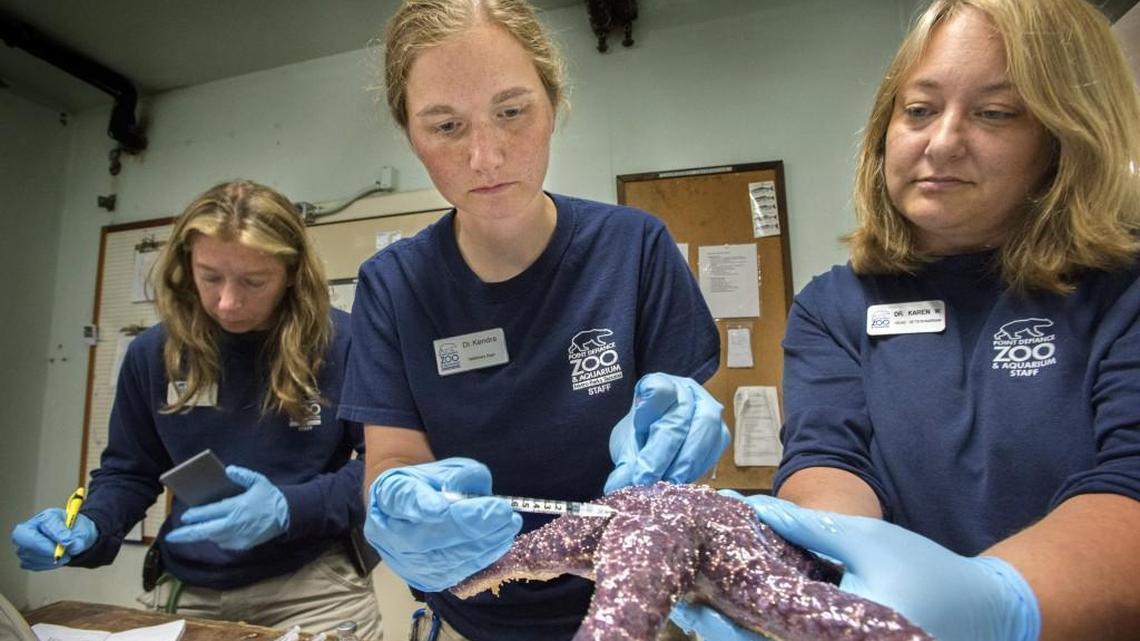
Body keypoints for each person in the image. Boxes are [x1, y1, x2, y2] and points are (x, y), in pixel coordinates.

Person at [672, 1, 1140, 640]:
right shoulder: (835, 306)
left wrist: (999, 602)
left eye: (994, 113)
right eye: (918, 110)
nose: (942, 141)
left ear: (1065, 137)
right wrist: (820, 565)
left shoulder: (1122, 293)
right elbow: (828, 459)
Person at [337, 1, 727, 639]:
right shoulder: (393, 285)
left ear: (553, 102)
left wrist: (677, 443)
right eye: (445, 126)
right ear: (409, 132)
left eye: (512, 111)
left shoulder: (634, 249)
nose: (486, 157)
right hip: (468, 611)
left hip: (637, 606)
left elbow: (681, 427)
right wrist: (401, 501)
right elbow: (394, 455)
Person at [10, 180, 383, 640]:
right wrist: (88, 525)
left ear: (291, 272)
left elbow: (385, 469)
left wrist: (290, 507)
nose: (228, 301)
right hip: (186, 581)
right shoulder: (154, 353)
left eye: (253, 281)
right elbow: (130, 471)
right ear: (187, 266)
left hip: (313, 586)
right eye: (210, 277)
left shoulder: (346, 345)